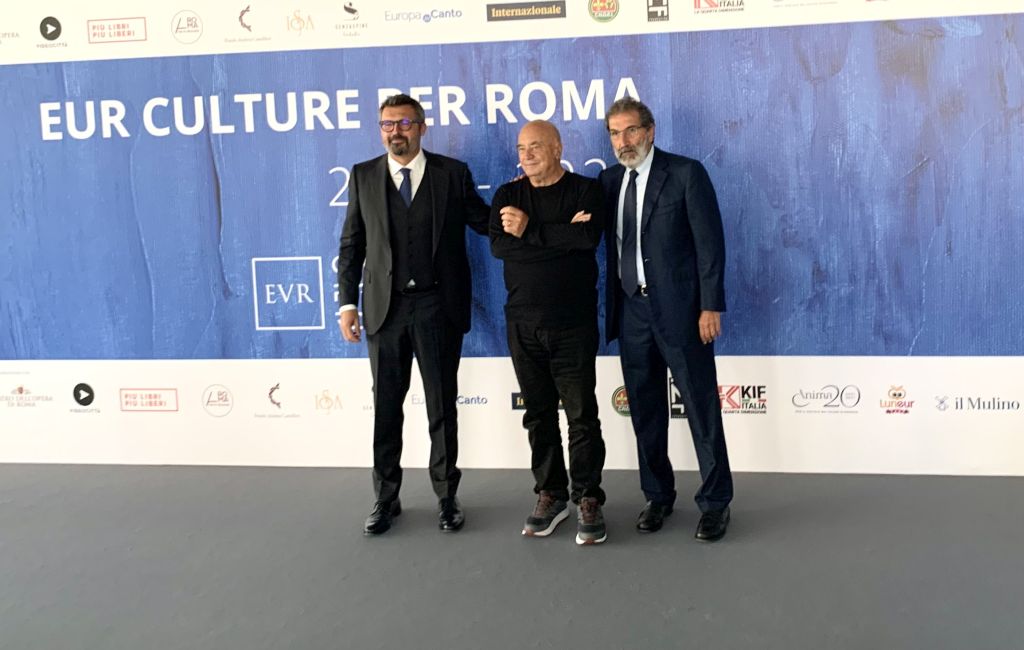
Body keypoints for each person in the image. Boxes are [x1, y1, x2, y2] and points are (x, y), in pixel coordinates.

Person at [337, 94, 489, 535]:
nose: (395, 132)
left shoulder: (452, 174)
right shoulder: (363, 175)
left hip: (438, 307)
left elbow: (483, 221)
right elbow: (352, 244)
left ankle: (446, 496)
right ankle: (386, 498)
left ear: (422, 127)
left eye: (404, 123)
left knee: (441, 407)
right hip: (385, 311)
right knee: (386, 409)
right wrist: (347, 304)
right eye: (387, 124)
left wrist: (525, 207)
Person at [598, 97, 734, 542]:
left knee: (700, 407)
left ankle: (715, 503)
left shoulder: (685, 173)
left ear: (650, 131)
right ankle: (657, 496)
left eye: (631, 130)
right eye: (615, 133)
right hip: (631, 311)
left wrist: (710, 306)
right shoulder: (608, 181)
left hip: (683, 313)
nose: (623, 141)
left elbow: (710, 245)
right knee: (645, 409)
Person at [490, 120, 608, 545]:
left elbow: (586, 239)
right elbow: (500, 247)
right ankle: (551, 494)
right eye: (521, 148)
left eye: (536, 146)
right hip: (522, 324)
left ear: (557, 148)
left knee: (581, 416)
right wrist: (560, 236)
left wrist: (530, 230)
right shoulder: (507, 196)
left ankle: (588, 497)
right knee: (538, 415)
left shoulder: (586, 191)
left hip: (573, 324)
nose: (526, 155)